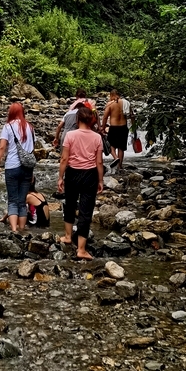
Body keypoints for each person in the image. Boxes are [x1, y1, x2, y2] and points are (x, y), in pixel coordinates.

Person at [57, 107, 104, 260]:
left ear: (77, 120)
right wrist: (101, 180)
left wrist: (60, 177)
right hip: (90, 175)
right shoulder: (97, 137)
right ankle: (82, 249)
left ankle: (68, 237)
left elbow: (64, 159)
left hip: (72, 173)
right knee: (86, 210)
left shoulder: (70, 135)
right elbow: (99, 162)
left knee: (70, 204)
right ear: (91, 120)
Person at [0, 102, 35, 232]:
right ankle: (22, 229)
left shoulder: (8, 126)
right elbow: (32, 149)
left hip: (12, 166)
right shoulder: (30, 127)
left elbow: (2, 147)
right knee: (22, 201)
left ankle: (14, 230)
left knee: (12, 200)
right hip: (27, 167)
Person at [101, 89, 128, 171]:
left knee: (111, 146)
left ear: (112, 95)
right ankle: (119, 166)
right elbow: (132, 115)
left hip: (114, 127)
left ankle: (115, 158)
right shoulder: (126, 103)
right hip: (123, 127)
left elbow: (105, 116)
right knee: (121, 148)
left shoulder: (110, 104)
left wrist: (102, 127)